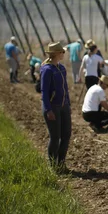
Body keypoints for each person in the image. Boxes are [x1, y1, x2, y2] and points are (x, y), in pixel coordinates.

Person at [39, 42, 71, 172]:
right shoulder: (47, 70)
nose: (64, 54)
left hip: (64, 107)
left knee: (66, 135)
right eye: (62, 52)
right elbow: (44, 91)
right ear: (56, 54)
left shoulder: (62, 68)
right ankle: (53, 166)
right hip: (53, 107)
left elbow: (65, 89)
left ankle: (61, 164)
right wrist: (48, 109)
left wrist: (68, 104)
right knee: (55, 137)